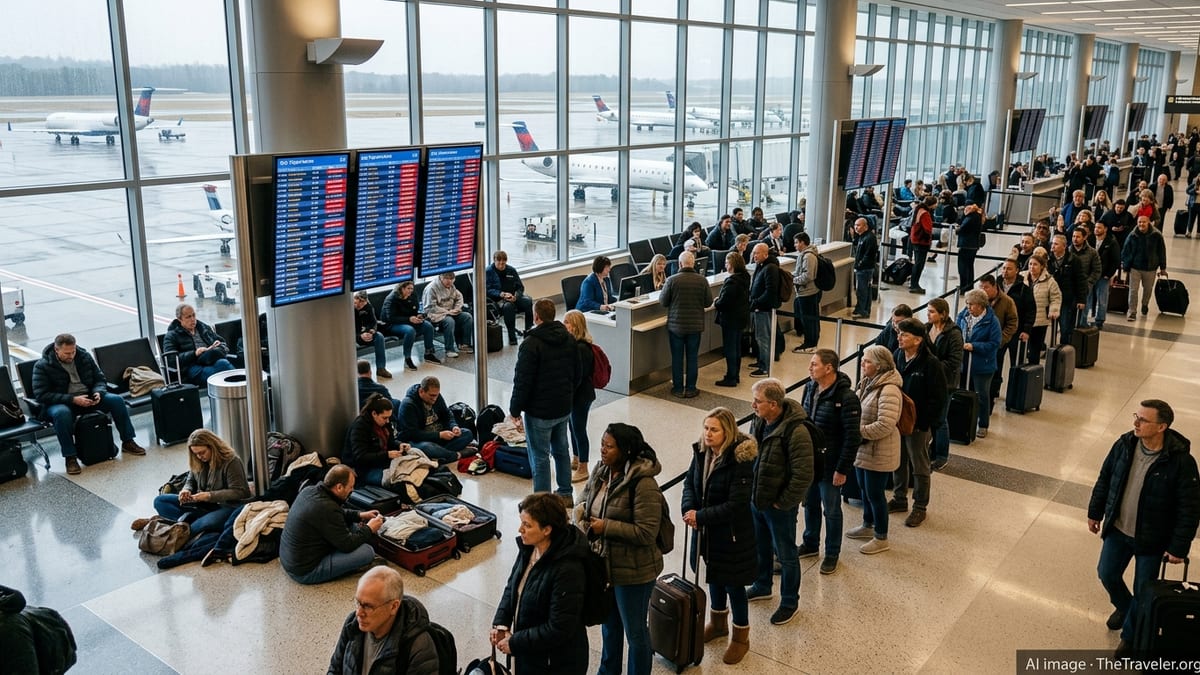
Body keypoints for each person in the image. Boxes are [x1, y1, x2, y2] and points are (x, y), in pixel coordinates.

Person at [1088, 399, 1200, 655]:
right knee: (1107, 573)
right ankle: (1127, 608)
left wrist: (1178, 547)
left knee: (1143, 588)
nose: (1135, 423)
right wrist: (1095, 512)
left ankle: (1130, 635)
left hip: (1152, 538)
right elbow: (1106, 477)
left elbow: (1190, 508)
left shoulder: (1181, 462)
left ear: (1161, 427)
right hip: (1118, 528)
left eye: (1143, 420)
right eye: (1136, 416)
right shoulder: (1125, 444)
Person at [576, 423, 664, 675]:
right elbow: (585, 498)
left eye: (609, 446)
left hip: (634, 571)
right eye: (602, 444)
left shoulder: (644, 484)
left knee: (635, 631)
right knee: (609, 625)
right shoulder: (602, 470)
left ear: (626, 450)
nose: (602, 450)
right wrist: (581, 512)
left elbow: (646, 533)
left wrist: (606, 527)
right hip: (605, 566)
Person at [682, 407, 758, 665]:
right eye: (705, 428)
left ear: (728, 431)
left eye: (714, 429)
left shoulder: (740, 460)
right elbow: (689, 484)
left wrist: (699, 517)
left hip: (732, 536)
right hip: (708, 534)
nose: (708, 434)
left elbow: (737, 505)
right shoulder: (701, 452)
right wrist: (688, 510)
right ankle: (717, 624)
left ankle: (740, 637)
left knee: (733, 586)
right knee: (714, 576)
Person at [491, 492, 589, 674]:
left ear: (547, 529)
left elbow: (559, 628)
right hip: (532, 654)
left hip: (556, 663)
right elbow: (512, 586)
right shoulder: (529, 548)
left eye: (527, 525)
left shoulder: (568, 569)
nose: (520, 529)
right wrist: (501, 623)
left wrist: (515, 642)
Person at [745, 378, 813, 626]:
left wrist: (782, 503)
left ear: (773, 404)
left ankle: (788, 602)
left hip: (779, 508)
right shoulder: (760, 420)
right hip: (758, 500)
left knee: (785, 555)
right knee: (761, 547)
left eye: (758, 401)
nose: (753, 405)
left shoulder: (796, 432)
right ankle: (762, 585)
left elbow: (803, 474)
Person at [31, 333, 147, 475]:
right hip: (63, 402)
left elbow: (99, 379)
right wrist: (72, 399)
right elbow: (42, 395)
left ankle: (128, 441)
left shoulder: (84, 357)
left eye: (73, 351)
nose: (71, 356)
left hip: (88, 397)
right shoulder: (42, 366)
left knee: (116, 401)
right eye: (67, 353)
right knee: (62, 414)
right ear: (56, 350)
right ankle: (70, 456)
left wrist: (98, 392)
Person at [510, 299, 580, 500]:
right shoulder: (568, 338)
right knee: (561, 450)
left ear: (536, 316)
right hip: (563, 406)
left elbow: (522, 381)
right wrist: (567, 394)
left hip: (539, 412)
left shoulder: (531, 344)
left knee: (540, 457)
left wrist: (515, 410)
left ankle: (542, 501)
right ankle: (566, 493)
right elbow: (578, 373)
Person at [799, 349, 862, 574]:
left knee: (832, 510)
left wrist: (842, 469)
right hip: (811, 462)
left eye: (814, 364)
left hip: (832, 464)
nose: (810, 368)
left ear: (829, 368)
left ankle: (832, 552)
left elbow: (852, 437)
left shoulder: (847, 398)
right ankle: (810, 543)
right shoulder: (810, 387)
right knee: (810, 504)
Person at [280, 465, 383, 585]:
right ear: (339, 487)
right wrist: (369, 528)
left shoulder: (309, 491)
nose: (352, 490)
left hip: (289, 560)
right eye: (351, 487)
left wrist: (360, 515)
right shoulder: (327, 508)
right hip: (305, 572)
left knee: (353, 527)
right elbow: (347, 545)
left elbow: (338, 513)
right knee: (367, 552)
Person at [133, 429, 250, 536]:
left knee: (206, 524)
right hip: (202, 504)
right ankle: (179, 526)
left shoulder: (231, 461)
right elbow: (191, 479)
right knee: (160, 501)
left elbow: (241, 492)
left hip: (226, 507)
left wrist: (209, 496)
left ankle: (165, 523)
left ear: (213, 447)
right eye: (195, 454)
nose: (199, 456)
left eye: (202, 452)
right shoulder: (198, 460)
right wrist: (186, 490)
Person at [328, 567, 440, 675]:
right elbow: (335, 668)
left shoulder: (419, 648)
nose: (359, 613)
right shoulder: (352, 623)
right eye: (358, 602)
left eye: (368, 606)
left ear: (393, 607)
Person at [889, 319, 947, 528]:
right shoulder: (897, 355)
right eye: (899, 334)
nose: (899, 338)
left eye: (904, 335)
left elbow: (939, 398)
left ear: (918, 340)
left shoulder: (931, 364)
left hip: (919, 424)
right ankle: (899, 498)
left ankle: (920, 507)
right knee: (898, 460)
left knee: (919, 464)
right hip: (898, 420)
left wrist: (924, 423)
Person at [848, 345, 903, 554]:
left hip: (879, 451)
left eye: (867, 361)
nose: (862, 363)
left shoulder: (889, 389)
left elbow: (885, 424)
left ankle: (881, 537)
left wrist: (858, 432)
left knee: (876, 494)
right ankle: (867, 525)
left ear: (879, 366)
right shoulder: (868, 382)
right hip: (864, 449)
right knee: (864, 489)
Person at [659, 250, 713, 398]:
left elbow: (663, 301)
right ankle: (690, 388)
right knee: (692, 357)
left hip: (676, 326)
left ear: (680, 264)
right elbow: (708, 302)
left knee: (677, 358)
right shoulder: (702, 280)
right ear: (694, 263)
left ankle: (677, 388)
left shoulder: (672, 280)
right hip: (695, 326)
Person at [955, 289, 1002, 439]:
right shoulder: (963, 316)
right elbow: (957, 331)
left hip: (983, 365)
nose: (968, 307)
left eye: (972, 304)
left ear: (981, 305)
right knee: (961, 391)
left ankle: (983, 425)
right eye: (967, 304)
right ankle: (962, 420)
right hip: (964, 362)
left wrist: (974, 346)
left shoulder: (992, 321)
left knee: (982, 395)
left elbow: (995, 343)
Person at [396, 376, 474, 465]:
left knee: (467, 433)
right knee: (427, 447)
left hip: (439, 437)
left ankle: (440, 454)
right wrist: (439, 435)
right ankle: (455, 455)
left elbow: (447, 413)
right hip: (419, 440)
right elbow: (412, 434)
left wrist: (453, 426)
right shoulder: (408, 405)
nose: (434, 399)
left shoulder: (436, 396)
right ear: (421, 391)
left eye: (436, 395)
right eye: (431, 395)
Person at [924, 298, 962, 471]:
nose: (928, 314)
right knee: (931, 418)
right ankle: (931, 450)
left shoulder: (953, 333)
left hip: (946, 384)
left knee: (941, 420)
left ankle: (941, 455)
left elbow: (954, 362)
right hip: (928, 381)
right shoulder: (926, 328)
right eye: (928, 311)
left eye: (932, 312)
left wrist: (933, 367)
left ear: (943, 314)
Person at [344, 394, 411, 486]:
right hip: (363, 469)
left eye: (389, 417)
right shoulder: (360, 427)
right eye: (385, 418)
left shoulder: (384, 423)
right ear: (374, 414)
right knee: (395, 481)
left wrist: (399, 444)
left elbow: (390, 442)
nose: (387, 421)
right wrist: (386, 455)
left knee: (408, 472)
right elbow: (360, 457)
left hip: (380, 462)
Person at [162, 303, 235, 386]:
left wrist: (218, 346)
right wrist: (194, 353)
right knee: (220, 375)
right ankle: (241, 388)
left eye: (193, 315)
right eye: (188, 317)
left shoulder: (202, 327)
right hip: (192, 367)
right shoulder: (172, 335)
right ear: (179, 319)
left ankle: (240, 388)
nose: (192, 319)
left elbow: (222, 342)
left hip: (210, 359)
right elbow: (171, 360)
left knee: (223, 363)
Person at [562, 310, 595, 484]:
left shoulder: (582, 348)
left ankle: (584, 466)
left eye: (567, 322)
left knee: (579, 429)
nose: (563, 325)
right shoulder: (573, 344)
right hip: (574, 395)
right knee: (572, 427)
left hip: (581, 395)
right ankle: (576, 457)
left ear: (575, 325)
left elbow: (577, 376)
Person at [979, 273, 1019, 415]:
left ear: (995, 286)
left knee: (994, 373)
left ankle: (990, 403)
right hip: (979, 346)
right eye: (981, 287)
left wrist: (1000, 340)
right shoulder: (978, 301)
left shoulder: (1007, 302)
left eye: (986, 287)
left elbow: (1012, 323)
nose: (983, 291)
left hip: (997, 345)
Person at [381, 280, 438, 370]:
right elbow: (391, 318)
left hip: (408, 321)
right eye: (408, 288)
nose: (411, 291)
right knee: (410, 330)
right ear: (402, 288)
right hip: (392, 325)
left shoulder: (412, 295)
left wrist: (418, 315)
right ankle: (407, 358)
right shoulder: (391, 299)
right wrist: (409, 319)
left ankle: (429, 353)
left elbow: (415, 309)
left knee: (428, 326)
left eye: (412, 288)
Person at [713, 251, 750, 388]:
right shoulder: (745, 278)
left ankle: (731, 377)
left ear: (733, 264)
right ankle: (735, 374)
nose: (725, 265)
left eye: (727, 263)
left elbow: (724, 303)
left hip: (730, 319)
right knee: (736, 348)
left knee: (730, 349)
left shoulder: (732, 281)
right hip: (740, 317)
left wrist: (717, 302)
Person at [1121, 214, 1167, 321]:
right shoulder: (1133, 235)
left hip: (1150, 268)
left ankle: (1145, 304)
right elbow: (1126, 251)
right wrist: (1126, 265)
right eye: (1139, 222)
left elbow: (1161, 252)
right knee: (1133, 290)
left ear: (1149, 223)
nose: (1141, 224)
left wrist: (1163, 268)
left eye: (1144, 222)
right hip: (1135, 267)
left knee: (1147, 289)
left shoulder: (1156, 235)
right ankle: (1132, 311)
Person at [748, 243, 782, 378]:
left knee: (764, 338)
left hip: (764, 308)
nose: (754, 256)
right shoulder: (761, 266)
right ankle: (760, 361)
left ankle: (765, 367)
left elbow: (770, 291)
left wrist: (756, 302)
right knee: (759, 337)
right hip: (758, 307)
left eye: (757, 253)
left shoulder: (770, 268)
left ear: (765, 254)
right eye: (754, 253)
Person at [486, 250, 534, 346]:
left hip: (513, 297)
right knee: (509, 307)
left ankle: (529, 331)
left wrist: (516, 296)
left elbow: (520, 287)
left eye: (503, 263)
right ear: (494, 261)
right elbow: (487, 290)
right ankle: (512, 336)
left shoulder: (511, 270)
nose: (501, 265)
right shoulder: (488, 272)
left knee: (528, 301)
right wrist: (501, 294)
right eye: (499, 263)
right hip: (498, 299)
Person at [1021, 253, 1062, 365]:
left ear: (1042, 266)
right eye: (1030, 264)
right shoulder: (1021, 277)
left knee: (1035, 349)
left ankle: (1033, 373)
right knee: (1021, 350)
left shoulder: (1050, 281)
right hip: (1023, 320)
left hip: (1040, 321)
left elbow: (1056, 298)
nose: (1032, 267)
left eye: (1035, 264)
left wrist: (1054, 310)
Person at [422, 272, 474, 358]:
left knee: (467, 317)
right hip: (436, 315)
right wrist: (447, 312)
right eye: (447, 279)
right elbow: (430, 308)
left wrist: (457, 309)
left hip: (451, 312)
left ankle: (464, 344)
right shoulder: (431, 288)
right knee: (449, 321)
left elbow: (459, 297)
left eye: (451, 279)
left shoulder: (452, 286)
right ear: (441, 277)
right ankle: (449, 349)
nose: (449, 281)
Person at [1048, 233, 1086, 344]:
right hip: (1050, 298)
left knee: (1065, 327)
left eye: (1056, 244)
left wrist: (1081, 299)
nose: (1053, 246)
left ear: (1064, 246)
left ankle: (1064, 349)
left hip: (1067, 299)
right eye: (1052, 243)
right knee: (1050, 328)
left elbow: (1080, 280)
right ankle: (1051, 347)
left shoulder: (1073, 260)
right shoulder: (1048, 259)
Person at [790, 232, 821, 353]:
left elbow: (808, 276)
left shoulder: (808, 256)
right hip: (807, 291)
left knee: (808, 320)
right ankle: (811, 341)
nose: (795, 245)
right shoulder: (806, 255)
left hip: (807, 292)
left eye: (797, 242)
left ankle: (810, 344)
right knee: (810, 318)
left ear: (803, 242)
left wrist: (794, 280)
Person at [1089, 221, 1121, 329]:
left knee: (1102, 298)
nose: (1096, 229)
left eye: (1099, 227)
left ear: (1105, 229)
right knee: (1087, 297)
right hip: (1090, 274)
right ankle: (1085, 318)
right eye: (1095, 227)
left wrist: (1109, 274)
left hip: (1103, 275)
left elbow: (1115, 260)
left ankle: (1099, 320)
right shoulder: (1090, 240)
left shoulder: (1111, 242)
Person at [351, 291, 391, 379]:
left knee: (379, 336)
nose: (360, 307)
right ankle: (356, 372)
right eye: (357, 304)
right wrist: (359, 336)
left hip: (366, 333)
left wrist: (372, 331)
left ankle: (381, 368)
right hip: (353, 336)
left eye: (362, 305)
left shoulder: (368, 307)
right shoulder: (348, 310)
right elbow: (347, 329)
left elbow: (373, 322)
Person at [850, 217, 878, 319]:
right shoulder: (862, 236)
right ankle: (861, 309)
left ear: (865, 226)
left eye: (858, 225)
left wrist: (859, 265)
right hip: (863, 268)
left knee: (863, 290)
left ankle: (863, 311)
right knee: (863, 290)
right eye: (855, 225)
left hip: (865, 269)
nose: (856, 227)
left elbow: (868, 255)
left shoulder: (869, 238)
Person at [908, 196, 935, 294]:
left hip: (916, 240)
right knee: (919, 264)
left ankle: (913, 284)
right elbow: (927, 228)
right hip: (921, 241)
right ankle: (914, 285)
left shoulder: (919, 210)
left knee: (917, 263)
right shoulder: (925, 213)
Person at [956, 203, 983, 294]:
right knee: (970, 266)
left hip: (966, 245)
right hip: (973, 245)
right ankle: (969, 285)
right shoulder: (978, 217)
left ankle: (964, 286)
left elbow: (961, 229)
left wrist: (956, 229)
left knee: (962, 267)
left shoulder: (970, 218)